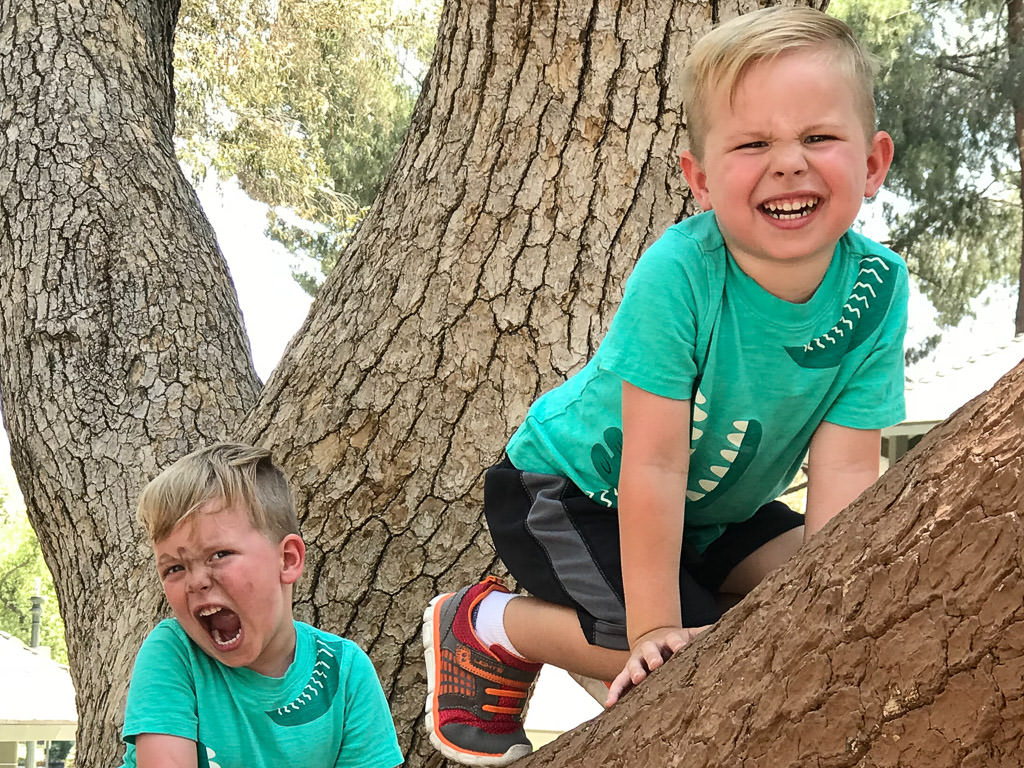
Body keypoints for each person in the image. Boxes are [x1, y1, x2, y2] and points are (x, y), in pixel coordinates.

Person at [422, 6, 908, 766]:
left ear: (873, 163)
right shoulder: (681, 272)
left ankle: (673, 610)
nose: (789, 164)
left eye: (818, 137)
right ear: (701, 179)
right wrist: (654, 631)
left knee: (839, 594)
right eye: (753, 144)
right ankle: (488, 627)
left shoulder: (876, 287)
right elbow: (650, 465)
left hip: (714, 513)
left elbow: (845, 468)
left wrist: (830, 606)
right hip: (574, 492)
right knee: (684, 657)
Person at [119, 443, 403, 768]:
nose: (195, 582)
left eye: (219, 554)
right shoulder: (175, 653)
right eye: (174, 568)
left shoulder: (345, 671)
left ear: (287, 559)